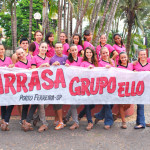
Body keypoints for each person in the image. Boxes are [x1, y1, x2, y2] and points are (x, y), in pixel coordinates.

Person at [22, 42, 50, 132]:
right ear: (39, 48)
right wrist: (41, 66)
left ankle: (35, 117)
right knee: (41, 104)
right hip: (36, 84)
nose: (44, 49)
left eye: (45, 47)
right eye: (42, 47)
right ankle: (44, 123)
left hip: (46, 85)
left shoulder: (48, 59)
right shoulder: (34, 58)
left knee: (46, 104)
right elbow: (33, 71)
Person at [94, 47, 115, 130]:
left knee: (111, 103)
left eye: (106, 53)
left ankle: (99, 115)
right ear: (101, 54)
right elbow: (97, 74)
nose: (105, 54)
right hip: (103, 86)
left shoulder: (112, 62)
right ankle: (108, 122)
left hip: (112, 85)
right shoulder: (99, 63)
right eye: (103, 53)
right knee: (107, 104)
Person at [12, 37, 31, 123]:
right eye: (23, 43)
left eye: (26, 43)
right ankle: (22, 118)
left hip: (31, 84)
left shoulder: (31, 58)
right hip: (22, 85)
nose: (25, 45)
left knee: (31, 102)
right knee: (22, 102)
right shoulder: (16, 62)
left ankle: (28, 118)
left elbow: (35, 68)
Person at [63, 44, 83, 130]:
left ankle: (67, 117)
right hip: (72, 84)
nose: (74, 52)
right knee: (73, 103)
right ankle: (76, 122)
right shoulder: (68, 61)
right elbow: (67, 73)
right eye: (72, 50)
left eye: (75, 50)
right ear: (70, 51)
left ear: (78, 50)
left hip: (81, 84)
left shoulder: (82, 59)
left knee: (77, 103)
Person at [78, 47, 98, 131]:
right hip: (85, 85)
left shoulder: (96, 63)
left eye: (90, 52)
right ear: (85, 54)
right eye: (87, 52)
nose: (89, 54)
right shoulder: (83, 63)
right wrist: (87, 69)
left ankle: (80, 115)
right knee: (87, 103)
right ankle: (90, 122)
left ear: (92, 53)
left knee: (93, 104)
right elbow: (80, 73)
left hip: (94, 86)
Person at [50, 42, 68, 130]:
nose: (59, 49)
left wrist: (68, 66)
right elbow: (49, 72)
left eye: (60, 47)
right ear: (55, 49)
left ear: (63, 48)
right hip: (55, 85)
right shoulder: (52, 59)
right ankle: (60, 121)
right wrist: (53, 66)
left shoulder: (66, 57)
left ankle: (57, 120)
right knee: (57, 102)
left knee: (59, 102)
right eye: (57, 48)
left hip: (64, 84)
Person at [114, 52, 133, 129]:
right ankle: (123, 121)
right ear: (120, 59)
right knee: (121, 104)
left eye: (125, 57)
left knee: (128, 104)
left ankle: (117, 115)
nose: (124, 59)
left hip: (130, 87)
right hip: (120, 87)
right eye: (122, 58)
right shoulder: (118, 67)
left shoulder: (131, 65)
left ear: (127, 57)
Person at [133, 50, 150, 129]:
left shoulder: (149, 65)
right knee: (140, 104)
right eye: (141, 55)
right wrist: (134, 72)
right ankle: (141, 122)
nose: (143, 56)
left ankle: (140, 122)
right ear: (138, 56)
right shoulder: (135, 64)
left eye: (144, 54)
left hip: (147, 87)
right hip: (138, 88)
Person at [0, 44, 14, 131]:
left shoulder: (8, 59)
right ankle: (4, 121)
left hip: (9, 84)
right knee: (2, 103)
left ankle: (5, 120)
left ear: (4, 50)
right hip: (0, 84)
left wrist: (12, 67)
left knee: (11, 102)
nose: (0, 51)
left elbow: (13, 69)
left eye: (2, 49)